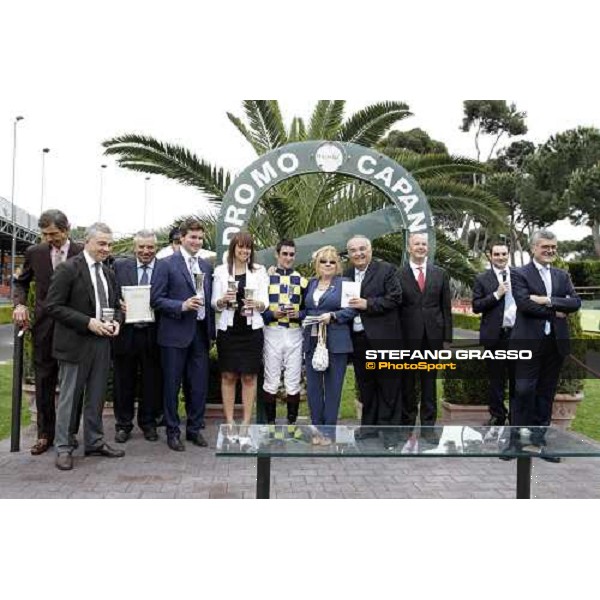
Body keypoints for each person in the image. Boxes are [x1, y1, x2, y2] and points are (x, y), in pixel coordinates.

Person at [45, 222, 125, 471]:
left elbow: (115, 305)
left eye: (110, 244)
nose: (107, 248)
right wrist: (88, 322)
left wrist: (117, 323)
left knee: (97, 396)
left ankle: (94, 441)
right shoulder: (69, 269)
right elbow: (53, 306)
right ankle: (63, 447)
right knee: (70, 398)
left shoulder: (109, 272)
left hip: (102, 343)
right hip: (75, 343)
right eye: (102, 243)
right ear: (87, 241)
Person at [12, 209, 84, 456]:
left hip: (74, 327)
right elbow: (20, 282)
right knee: (44, 380)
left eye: (53, 233)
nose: (48, 239)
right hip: (44, 327)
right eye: (44, 234)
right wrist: (20, 304)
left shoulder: (82, 251)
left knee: (72, 383)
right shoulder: (35, 252)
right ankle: (45, 434)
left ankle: (69, 433)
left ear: (67, 229)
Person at [510, 230, 581, 459]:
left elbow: (576, 303)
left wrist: (547, 300)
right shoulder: (519, 273)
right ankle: (516, 442)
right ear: (533, 248)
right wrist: (557, 310)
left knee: (546, 394)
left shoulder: (562, 275)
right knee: (523, 391)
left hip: (555, 344)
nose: (550, 250)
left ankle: (538, 442)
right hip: (527, 344)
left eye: (553, 247)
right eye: (545, 247)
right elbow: (524, 304)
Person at [151, 219, 214, 451]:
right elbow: (156, 300)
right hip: (174, 334)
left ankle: (194, 429)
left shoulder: (206, 267)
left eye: (200, 237)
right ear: (182, 238)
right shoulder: (165, 264)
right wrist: (181, 305)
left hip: (200, 333)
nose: (197, 241)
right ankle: (172, 431)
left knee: (198, 386)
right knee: (171, 385)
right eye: (192, 237)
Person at [344, 235, 404, 448]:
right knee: (366, 385)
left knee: (389, 386)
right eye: (353, 250)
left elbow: (396, 297)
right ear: (348, 254)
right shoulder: (347, 273)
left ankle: (390, 433)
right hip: (359, 339)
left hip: (385, 338)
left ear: (370, 250)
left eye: (362, 249)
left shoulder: (386, 270)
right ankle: (369, 427)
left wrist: (367, 304)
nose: (358, 253)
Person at [212, 232, 269, 427]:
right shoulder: (220, 271)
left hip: (252, 331)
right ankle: (229, 421)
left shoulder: (259, 271)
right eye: (240, 247)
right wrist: (222, 300)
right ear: (233, 248)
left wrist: (257, 304)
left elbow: (266, 304)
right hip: (228, 331)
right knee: (228, 375)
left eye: (248, 247)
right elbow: (214, 304)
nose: (244, 251)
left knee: (249, 376)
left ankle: (245, 422)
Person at [112, 230, 163, 443]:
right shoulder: (119, 266)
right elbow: (110, 293)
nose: (145, 251)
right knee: (123, 380)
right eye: (141, 247)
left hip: (154, 332)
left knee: (152, 381)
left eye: (150, 247)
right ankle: (123, 425)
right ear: (134, 247)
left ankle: (148, 423)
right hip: (126, 333)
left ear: (156, 247)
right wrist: (118, 303)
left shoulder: (164, 268)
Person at [399, 232, 452, 430]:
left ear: (427, 248)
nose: (421, 247)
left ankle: (429, 426)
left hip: (433, 338)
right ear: (409, 248)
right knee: (408, 383)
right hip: (407, 338)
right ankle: (407, 424)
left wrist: (447, 339)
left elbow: (445, 308)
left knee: (429, 384)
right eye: (416, 244)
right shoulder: (399, 274)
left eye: (424, 244)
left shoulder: (440, 273)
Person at [303, 246, 356, 445]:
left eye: (332, 262)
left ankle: (328, 433)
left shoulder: (345, 283)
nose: (327, 264)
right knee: (314, 389)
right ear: (317, 264)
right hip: (312, 340)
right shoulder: (310, 284)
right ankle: (317, 430)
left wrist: (333, 316)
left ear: (337, 265)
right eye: (323, 261)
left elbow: (353, 309)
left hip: (337, 343)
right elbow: (305, 309)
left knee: (333, 389)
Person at [261, 239, 307, 425]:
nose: (288, 258)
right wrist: (272, 314)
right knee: (271, 379)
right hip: (272, 332)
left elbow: (308, 310)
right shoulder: (265, 278)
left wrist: (298, 314)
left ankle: (291, 424)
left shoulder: (302, 281)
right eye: (284, 254)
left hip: (295, 333)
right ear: (277, 254)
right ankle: (270, 424)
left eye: (291, 254)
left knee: (293, 381)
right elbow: (259, 309)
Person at [472, 242, 516, 426]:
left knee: (518, 379)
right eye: (497, 254)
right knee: (496, 380)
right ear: (490, 256)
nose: (501, 257)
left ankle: (516, 416)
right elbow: (476, 306)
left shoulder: (521, 276)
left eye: (504, 254)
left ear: (509, 255)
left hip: (518, 335)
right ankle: (498, 415)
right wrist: (496, 295)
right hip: (494, 337)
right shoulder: (482, 279)